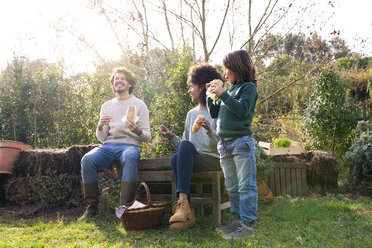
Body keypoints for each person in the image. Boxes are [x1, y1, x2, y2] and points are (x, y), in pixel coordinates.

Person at [78, 67, 151, 221]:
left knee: (131, 156)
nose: (118, 81)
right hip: (108, 146)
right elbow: (102, 138)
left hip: (130, 146)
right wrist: (99, 127)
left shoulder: (139, 105)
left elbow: (146, 137)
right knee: (87, 160)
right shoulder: (106, 106)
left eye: (122, 79)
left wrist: (137, 130)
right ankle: (92, 208)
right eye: (116, 79)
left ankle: (124, 208)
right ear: (113, 84)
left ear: (130, 84)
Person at [159, 63, 223, 230]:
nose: (189, 91)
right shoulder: (191, 114)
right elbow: (184, 147)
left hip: (215, 159)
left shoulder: (218, 110)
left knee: (176, 158)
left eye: (191, 87)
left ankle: (185, 208)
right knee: (175, 158)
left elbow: (224, 143)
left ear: (202, 87)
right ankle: (186, 209)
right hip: (195, 159)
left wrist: (210, 130)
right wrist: (172, 137)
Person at [206, 50, 258, 239]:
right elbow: (214, 112)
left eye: (226, 68)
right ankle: (237, 221)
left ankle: (248, 227)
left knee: (246, 185)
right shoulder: (229, 90)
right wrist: (210, 94)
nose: (224, 73)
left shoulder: (248, 88)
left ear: (237, 67)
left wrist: (223, 94)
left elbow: (242, 111)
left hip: (240, 143)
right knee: (233, 186)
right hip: (225, 144)